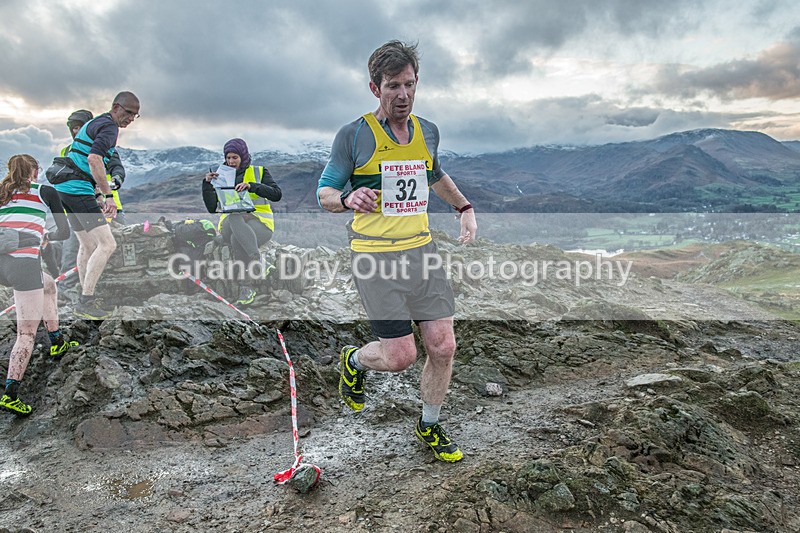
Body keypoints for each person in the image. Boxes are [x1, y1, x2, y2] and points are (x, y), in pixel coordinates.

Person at [316, 40, 477, 462]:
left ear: (416, 82)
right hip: (375, 258)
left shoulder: (428, 131)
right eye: (392, 87)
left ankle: (430, 425)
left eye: (409, 84)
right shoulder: (354, 135)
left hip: (422, 253)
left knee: (443, 346)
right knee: (401, 356)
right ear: (375, 89)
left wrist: (463, 207)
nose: (402, 95)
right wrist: (347, 200)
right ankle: (353, 359)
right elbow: (325, 191)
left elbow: (435, 174)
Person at [0, 155, 78, 416]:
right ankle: (11, 394)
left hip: (2, 263)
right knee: (26, 334)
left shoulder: (2, 192)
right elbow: (64, 232)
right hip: (22, 265)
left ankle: (57, 340)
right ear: (35, 172)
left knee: (48, 285)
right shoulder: (45, 191)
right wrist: (46, 236)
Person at [53, 92, 140, 319]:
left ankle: (85, 295)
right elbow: (94, 160)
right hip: (78, 189)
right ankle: (87, 300)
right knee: (107, 244)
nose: (130, 118)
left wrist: (97, 197)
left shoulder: (95, 122)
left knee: (87, 243)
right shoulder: (110, 127)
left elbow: (82, 159)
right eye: (128, 112)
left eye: (135, 115)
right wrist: (107, 195)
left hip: (66, 190)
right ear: (116, 107)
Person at [57, 109, 128, 303]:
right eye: (73, 128)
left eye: (79, 127)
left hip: (111, 208)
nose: (76, 131)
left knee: (109, 249)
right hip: (82, 204)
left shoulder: (102, 144)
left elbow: (117, 168)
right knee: (79, 249)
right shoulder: (68, 151)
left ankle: (95, 291)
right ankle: (73, 293)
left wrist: (114, 183)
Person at [202, 138, 281, 306]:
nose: (231, 162)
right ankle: (257, 260)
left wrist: (253, 186)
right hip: (228, 225)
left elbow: (276, 194)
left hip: (259, 224)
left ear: (243, 157)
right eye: (228, 157)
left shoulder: (259, 172)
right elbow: (211, 208)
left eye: (234, 158)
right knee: (234, 216)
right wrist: (207, 185)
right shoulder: (220, 176)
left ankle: (246, 288)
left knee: (236, 240)